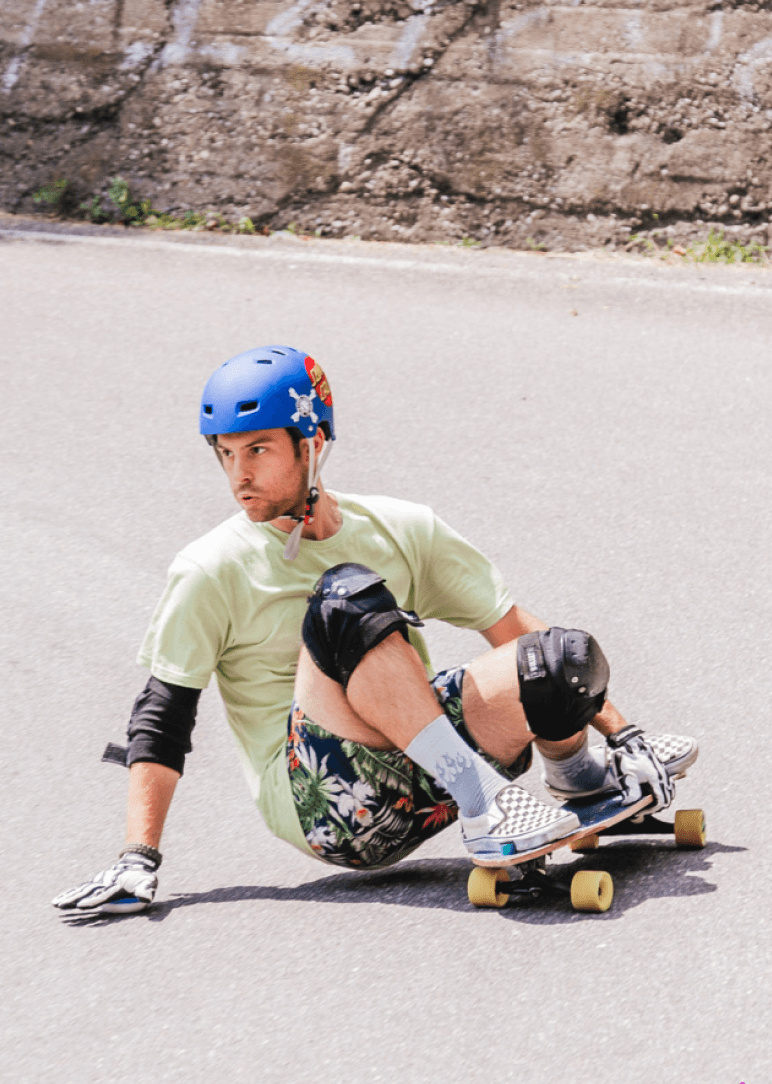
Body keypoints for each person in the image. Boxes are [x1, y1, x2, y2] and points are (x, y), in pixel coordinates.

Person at [52, 345, 698, 915]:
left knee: (557, 656)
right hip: (326, 804)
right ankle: (488, 805)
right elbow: (162, 715)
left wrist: (623, 731)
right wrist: (139, 855)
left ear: (312, 443)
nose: (239, 476)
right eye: (225, 456)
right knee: (344, 598)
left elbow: (507, 623)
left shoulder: (401, 526)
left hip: (422, 768)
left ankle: (580, 781)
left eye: (257, 450)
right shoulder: (209, 569)